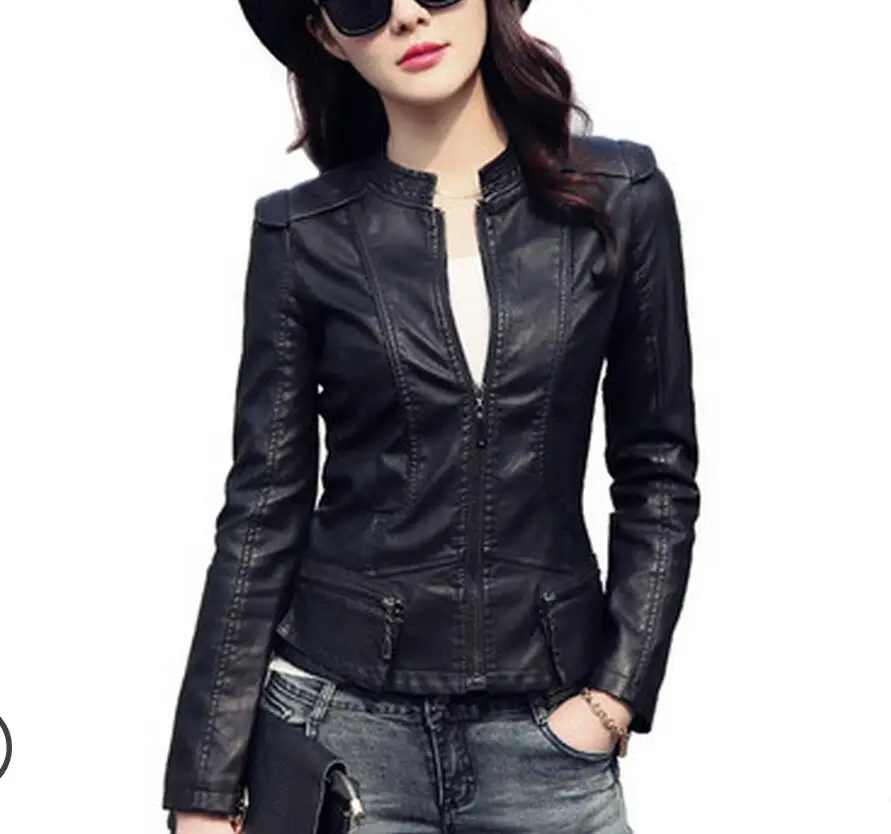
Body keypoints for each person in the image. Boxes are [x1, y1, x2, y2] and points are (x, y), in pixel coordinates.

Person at [162, 0, 701, 832]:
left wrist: (614, 696)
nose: (409, 15)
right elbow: (261, 511)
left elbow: (657, 469)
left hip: (547, 734)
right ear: (325, 34)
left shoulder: (619, 198)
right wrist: (203, 790)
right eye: (361, 3)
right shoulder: (302, 235)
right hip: (343, 740)